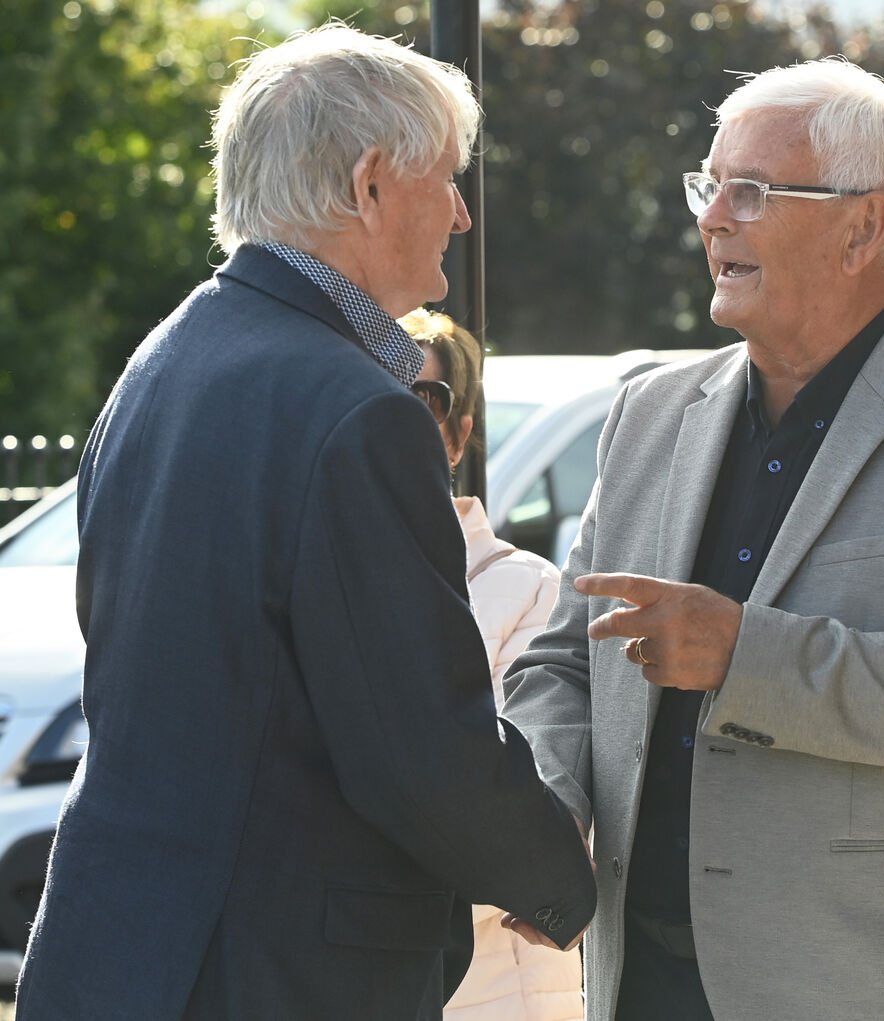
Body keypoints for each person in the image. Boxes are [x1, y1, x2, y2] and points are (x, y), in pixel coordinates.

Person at [16, 23, 595, 1021]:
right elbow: (416, 741)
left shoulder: (160, 365)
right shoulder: (359, 410)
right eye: (450, 179)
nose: (461, 213)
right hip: (280, 975)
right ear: (371, 184)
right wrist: (559, 878)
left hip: (121, 954)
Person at [501, 57, 884, 1021]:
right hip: (636, 984)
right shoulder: (647, 412)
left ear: (864, 226)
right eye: (708, 185)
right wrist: (551, 804)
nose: (713, 217)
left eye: (753, 191)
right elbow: (563, 659)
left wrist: (744, 655)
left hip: (853, 988)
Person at [403, 308, 586, 1020]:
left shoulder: (530, 590)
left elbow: (521, 814)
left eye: (423, 399)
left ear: (458, 434)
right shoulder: (327, 581)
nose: (393, 414)